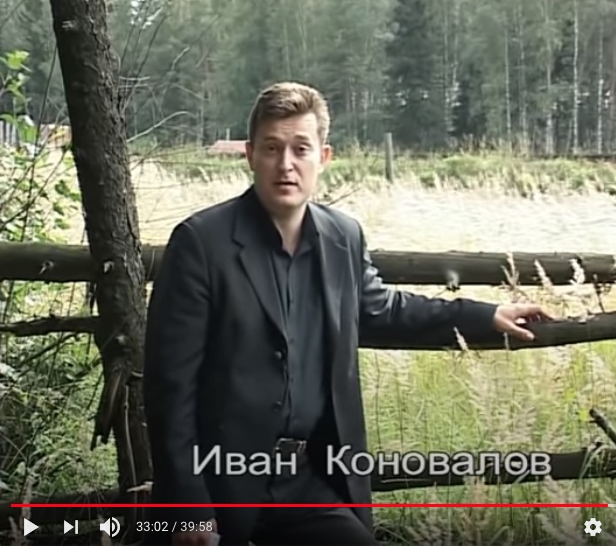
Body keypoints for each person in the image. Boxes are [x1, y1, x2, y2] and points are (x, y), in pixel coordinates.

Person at [142, 81, 553, 546]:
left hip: (307, 481)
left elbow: (385, 309)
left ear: (324, 157)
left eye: (301, 149)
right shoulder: (201, 244)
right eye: (272, 148)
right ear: (250, 155)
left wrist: (484, 315)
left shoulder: (343, 237)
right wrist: (189, 510)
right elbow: (169, 388)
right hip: (219, 485)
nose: (286, 164)